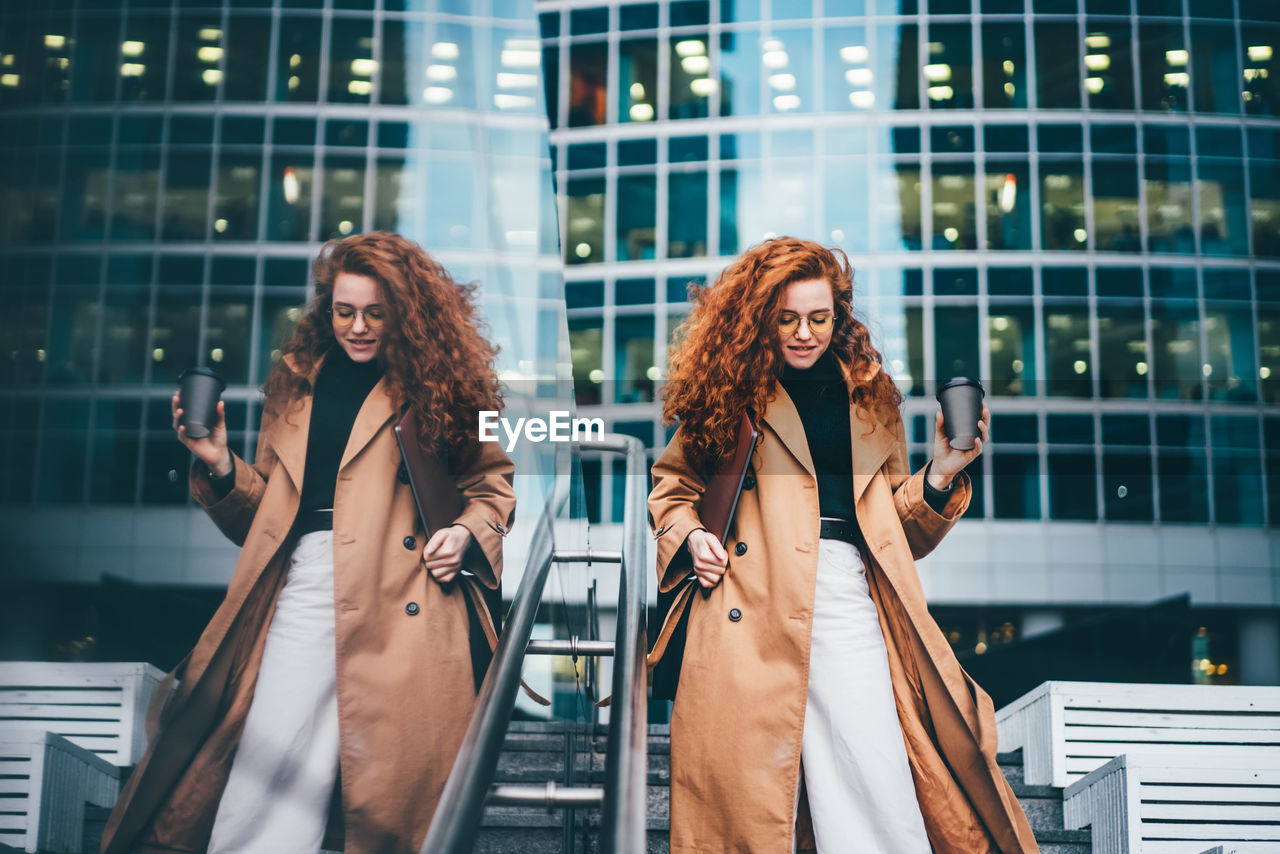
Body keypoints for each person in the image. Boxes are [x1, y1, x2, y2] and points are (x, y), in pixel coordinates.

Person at [101, 232, 516, 854]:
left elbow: (493, 485)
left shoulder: (448, 386)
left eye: (375, 313)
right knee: (275, 756)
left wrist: (463, 533)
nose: (356, 327)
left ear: (406, 313)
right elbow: (265, 519)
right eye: (344, 311)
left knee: (399, 788)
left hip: (405, 589)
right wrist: (216, 460)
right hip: (306, 577)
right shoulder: (295, 385)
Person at [647, 237, 1037, 853]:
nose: (805, 333)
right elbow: (672, 490)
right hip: (749, 600)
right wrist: (692, 536)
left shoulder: (871, 398)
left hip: (850, 594)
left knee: (872, 770)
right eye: (788, 319)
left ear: (840, 316)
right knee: (748, 801)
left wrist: (939, 474)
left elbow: (893, 533)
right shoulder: (727, 393)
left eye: (820, 318)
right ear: (759, 319)